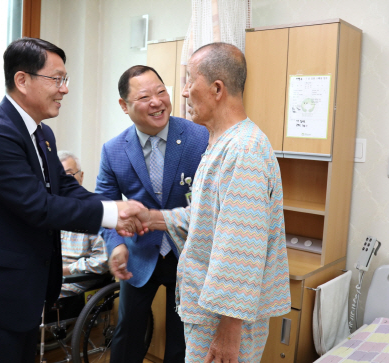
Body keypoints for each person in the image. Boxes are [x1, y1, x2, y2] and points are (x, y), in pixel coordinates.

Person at [0, 38, 145, 363]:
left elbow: (64, 187)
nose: (64, 89)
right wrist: (111, 213)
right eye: (56, 79)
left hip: (24, 289)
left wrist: (112, 209)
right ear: (22, 80)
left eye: (64, 80)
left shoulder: (41, 133)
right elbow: (39, 207)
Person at [120, 42, 291, 363]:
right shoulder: (221, 144)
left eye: (189, 80)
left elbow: (240, 249)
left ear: (216, 88)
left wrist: (229, 331)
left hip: (224, 322)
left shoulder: (243, 152)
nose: (183, 92)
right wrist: (151, 217)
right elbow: (206, 221)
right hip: (211, 313)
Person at [96, 65, 209, 362]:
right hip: (139, 256)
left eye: (161, 92)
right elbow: (105, 206)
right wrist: (116, 245)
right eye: (145, 96)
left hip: (187, 254)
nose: (157, 102)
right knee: (128, 335)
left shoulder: (200, 137)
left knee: (181, 340)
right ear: (124, 105)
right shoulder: (113, 150)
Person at [58, 150, 108, 297]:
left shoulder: (95, 210)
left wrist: (66, 270)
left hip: (77, 281)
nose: (63, 182)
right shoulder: (51, 210)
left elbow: (102, 261)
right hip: (50, 278)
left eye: (68, 175)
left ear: (81, 176)